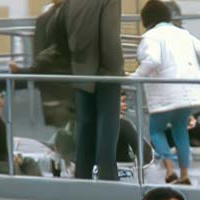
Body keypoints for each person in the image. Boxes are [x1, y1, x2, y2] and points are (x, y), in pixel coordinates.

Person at [130, 0, 200, 185]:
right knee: (180, 130)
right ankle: (185, 174)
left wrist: (135, 75)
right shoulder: (183, 33)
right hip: (188, 92)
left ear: (146, 20)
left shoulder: (151, 36)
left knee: (156, 131)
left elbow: (153, 61)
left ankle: (169, 169)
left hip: (165, 93)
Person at [65, 0, 123, 180]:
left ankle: (83, 178)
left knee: (84, 131)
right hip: (105, 73)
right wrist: (117, 70)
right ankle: (108, 179)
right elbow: (109, 37)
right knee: (108, 127)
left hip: (80, 71)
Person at [8, 0, 75, 128]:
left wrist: (22, 71)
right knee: (68, 133)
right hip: (65, 89)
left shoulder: (45, 20)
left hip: (55, 90)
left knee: (66, 133)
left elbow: (39, 59)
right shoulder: (73, 16)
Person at [117, 94, 154, 164]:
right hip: (122, 167)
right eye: (121, 102)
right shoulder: (123, 124)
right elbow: (145, 154)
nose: (124, 106)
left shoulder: (92, 123)